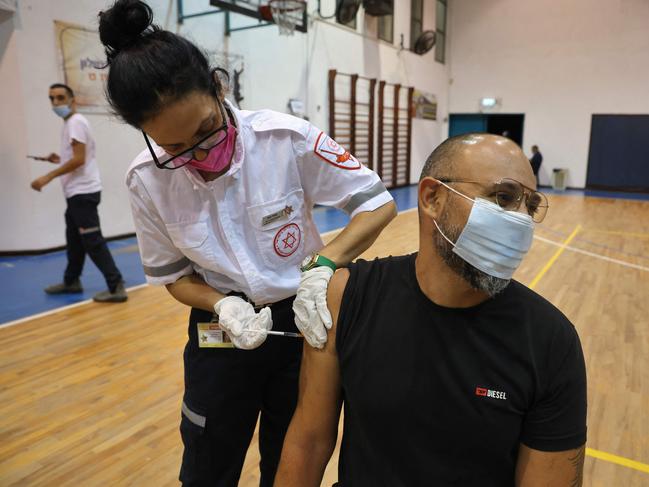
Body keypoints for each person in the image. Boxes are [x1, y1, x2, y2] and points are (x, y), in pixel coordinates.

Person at [97, 1, 396, 486]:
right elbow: (173, 277)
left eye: (205, 131)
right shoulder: (146, 180)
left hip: (300, 320)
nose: (199, 155)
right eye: (174, 148)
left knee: (290, 459)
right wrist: (221, 304)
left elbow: (377, 203)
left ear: (219, 87)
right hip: (222, 327)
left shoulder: (285, 139)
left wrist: (324, 263)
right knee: (206, 458)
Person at [276, 134, 587, 487]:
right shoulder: (347, 297)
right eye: (504, 197)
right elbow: (309, 441)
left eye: (529, 206)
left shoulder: (551, 341)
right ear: (432, 198)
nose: (520, 221)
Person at [30, 83, 127, 303]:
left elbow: (79, 159)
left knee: (92, 240)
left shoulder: (75, 122)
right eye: (51, 98)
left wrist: (48, 176)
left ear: (72, 100)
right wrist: (57, 159)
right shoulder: (70, 124)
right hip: (76, 194)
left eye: (60, 98)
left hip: (83, 193)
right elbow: (76, 157)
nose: (55, 103)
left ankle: (116, 286)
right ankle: (71, 281)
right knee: (74, 240)